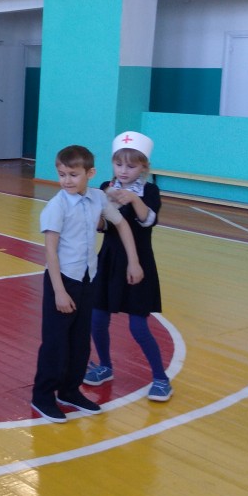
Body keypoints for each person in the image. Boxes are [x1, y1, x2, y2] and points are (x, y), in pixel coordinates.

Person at [31, 144, 144, 424]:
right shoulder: (56, 207)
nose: (66, 180)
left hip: (87, 279)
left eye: (73, 174)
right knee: (55, 342)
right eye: (62, 175)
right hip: (62, 281)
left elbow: (121, 224)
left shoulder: (97, 198)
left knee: (80, 342)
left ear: (90, 173)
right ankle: (42, 396)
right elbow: (50, 251)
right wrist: (59, 291)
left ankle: (69, 391)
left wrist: (133, 261)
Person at [85, 131, 172, 401]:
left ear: (144, 167)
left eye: (131, 166)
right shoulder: (105, 186)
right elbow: (104, 226)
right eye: (118, 164)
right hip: (109, 260)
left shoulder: (150, 191)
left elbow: (147, 221)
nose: (123, 171)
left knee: (138, 326)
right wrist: (97, 211)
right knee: (97, 319)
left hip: (138, 263)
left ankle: (161, 378)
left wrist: (133, 199)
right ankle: (105, 366)